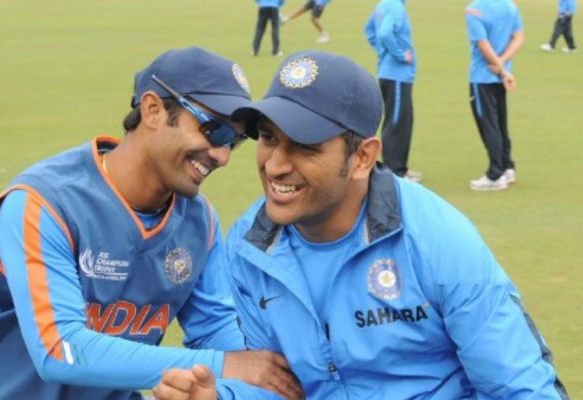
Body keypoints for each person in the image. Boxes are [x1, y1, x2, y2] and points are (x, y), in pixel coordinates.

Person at [154, 50, 569, 399]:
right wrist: (221, 396)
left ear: (363, 157)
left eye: (304, 146)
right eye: (268, 138)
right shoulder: (250, 246)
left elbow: (521, 387)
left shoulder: (437, 239)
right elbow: (275, 386)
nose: (276, 165)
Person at [0, 47, 302, 400]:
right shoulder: (43, 203)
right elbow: (59, 348)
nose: (222, 155)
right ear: (152, 109)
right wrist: (223, 364)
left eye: (234, 141)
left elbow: (214, 326)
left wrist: (267, 374)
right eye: (214, 130)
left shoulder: (199, 219)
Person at [466, 0, 525, 191]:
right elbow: (518, 37)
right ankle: (507, 167)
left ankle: (495, 174)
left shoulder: (474, 10)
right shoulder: (510, 6)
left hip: (482, 78)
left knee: (489, 126)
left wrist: (500, 69)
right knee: (500, 124)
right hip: (499, 77)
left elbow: (483, 45)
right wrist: (503, 65)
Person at [365, 0, 422, 183]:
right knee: (396, 123)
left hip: (393, 75)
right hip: (396, 75)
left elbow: (369, 30)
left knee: (404, 122)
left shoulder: (383, 4)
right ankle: (394, 172)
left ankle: (401, 168)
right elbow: (384, 33)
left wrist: (382, 51)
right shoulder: (395, 6)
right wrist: (399, 54)